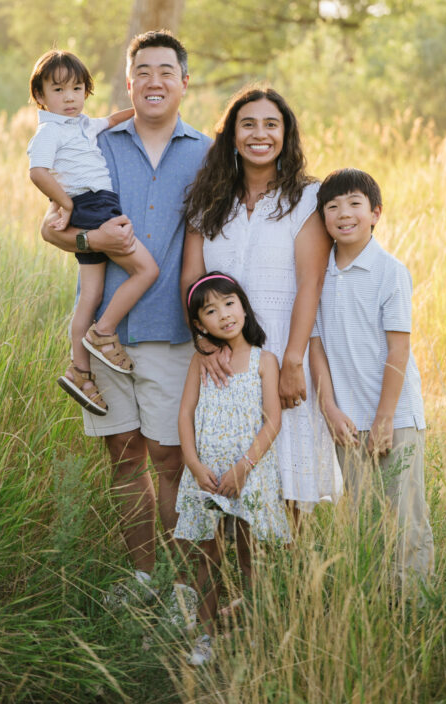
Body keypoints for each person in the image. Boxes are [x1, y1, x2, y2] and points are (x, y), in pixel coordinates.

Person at [39, 31, 210, 608]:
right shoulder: (97, 140)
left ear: (184, 82)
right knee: (124, 455)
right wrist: (88, 236)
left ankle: (183, 589)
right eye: (143, 71)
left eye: (167, 71)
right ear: (128, 82)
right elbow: (55, 227)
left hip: (173, 332)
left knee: (170, 458)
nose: (155, 80)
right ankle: (141, 579)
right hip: (107, 334)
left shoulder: (208, 155)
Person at [182, 86, 342, 518]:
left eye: (272, 124)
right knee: (227, 478)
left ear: (286, 134)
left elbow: (311, 283)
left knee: (289, 480)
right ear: (231, 135)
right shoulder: (208, 199)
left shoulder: (308, 199)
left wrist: (292, 361)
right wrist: (203, 344)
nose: (260, 134)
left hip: (285, 348)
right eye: (247, 124)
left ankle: (290, 585)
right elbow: (191, 279)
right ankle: (236, 582)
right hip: (224, 360)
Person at [309, 168, 434, 586]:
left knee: (406, 517)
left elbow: (399, 349)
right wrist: (328, 406)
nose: (344, 213)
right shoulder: (318, 275)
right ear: (323, 217)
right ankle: (376, 606)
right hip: (347, 421)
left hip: (394, 418)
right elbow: (316, 346)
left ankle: (414, 608)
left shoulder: (389, 271)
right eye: (333, 206)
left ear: (375, 213)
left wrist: (384, 418)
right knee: (362, 521)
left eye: (354, 204)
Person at [28, 49, 159, 414]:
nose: (69, 97)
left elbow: (112, 119)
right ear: (40, 97)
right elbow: (38, 172)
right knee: (147, 270)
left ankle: (79, 371)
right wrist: (65, 204)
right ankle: (103, 333)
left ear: (86, 91)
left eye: (77, 88)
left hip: (92, 207)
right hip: (92, 206)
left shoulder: (83, 124)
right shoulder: (49, 130)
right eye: (58, 90)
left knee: (91, 294)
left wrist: (143, 108)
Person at [176, 272, 291, 666]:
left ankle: (258, 634)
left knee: (249, 556)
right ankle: (205, 636)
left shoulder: (264, 360)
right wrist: (192, 463)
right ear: (199, 324)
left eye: (229, 303)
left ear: (243, 305)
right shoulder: (201, 361)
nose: (224, 315)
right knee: (206, 557)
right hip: (206, 473)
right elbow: (186, 413)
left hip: (249, 473)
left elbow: (273, 420)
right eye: (211, 310)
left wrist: (244, 468)